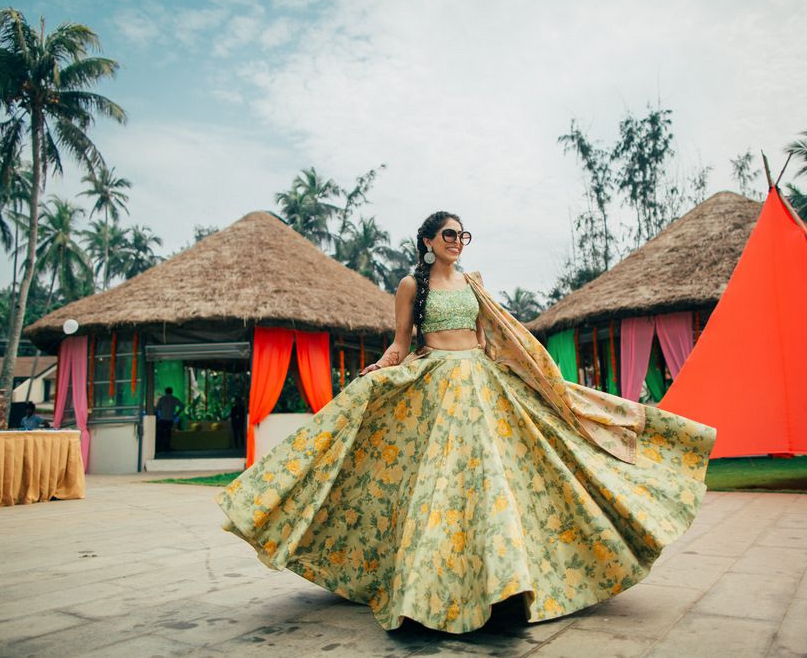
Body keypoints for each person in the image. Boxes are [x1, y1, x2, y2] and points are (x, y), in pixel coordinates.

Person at [216, 211, 716, 634]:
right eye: (449, 235)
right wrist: (384, 367)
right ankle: (422, 589)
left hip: (482, 382)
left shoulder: (475, 283)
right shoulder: (414, 284)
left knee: (501, 478)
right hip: (436, 383)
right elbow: (401, 340)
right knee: (438, 484)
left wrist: (521, 375)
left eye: (463, 235)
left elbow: (490, 336)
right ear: (429, 242)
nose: (458, 243)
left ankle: (507, 587)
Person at [155, 387, 183, 453]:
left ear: (165, 391)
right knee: (168, 433)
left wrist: (157, 416)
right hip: (170, 419)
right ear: (171, 392)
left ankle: (159, 447)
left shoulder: (162, 399)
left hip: (162, 419)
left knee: (160, 433)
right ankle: (167, 447)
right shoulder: (174, 399)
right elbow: (182, 406)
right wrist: (176, 414)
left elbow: (157, 409)